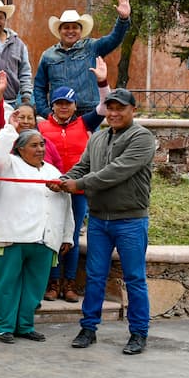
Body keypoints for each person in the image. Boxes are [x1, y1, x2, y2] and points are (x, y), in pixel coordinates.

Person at [51, 89, 154, 355]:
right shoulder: (96, 138)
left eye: (120, 108)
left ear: (133, 109)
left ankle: (138, 333)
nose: (114, 113)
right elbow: (82, 166)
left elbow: (115, 172)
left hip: (130, 220)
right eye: (110, 108)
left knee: (134, 278)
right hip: (98, 220)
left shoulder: (142, 138)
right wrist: (62, 180)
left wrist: (77, 184)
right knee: (95, 277)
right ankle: (88, 328)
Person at [0, 117, 74, 343]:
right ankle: (4, 326)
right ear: (20, 148)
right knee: (7, 285)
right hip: (12, 237)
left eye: (42, 144)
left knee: (34, 287)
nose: (40, 149)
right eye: (34, 145)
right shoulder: (8, 165)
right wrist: (10, 130)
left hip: (44, 240)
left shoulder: (53, 171)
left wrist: (66, 235)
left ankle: (25, 326)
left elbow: (66, 206)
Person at [38, 58, 111, 302]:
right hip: (52, 190)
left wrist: (102, 81)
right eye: (59, 103)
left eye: (68, 103)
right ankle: (53, 281)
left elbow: (105, 105)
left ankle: (69, 282)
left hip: (79, 191)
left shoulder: (85, 122)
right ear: (52, 105)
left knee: (70, 234)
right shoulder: (42, 127)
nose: (63, 107)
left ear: (74, 105)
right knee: (52, 235)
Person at [35, 0, 130, 117]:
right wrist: (45, 112)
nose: (70, 31)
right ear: (59, 31)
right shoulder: (48, 56)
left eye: (75, 27)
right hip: (60, 112)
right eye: (66, 27)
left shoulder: (92, 47)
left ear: (81, 31)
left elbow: (114, 39)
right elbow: (39, 87)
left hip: (89, 112)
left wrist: (123, 20)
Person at [0, 70, 62, 169]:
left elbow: (58, 166)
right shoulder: (7, 139)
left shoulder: (45, 143)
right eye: (21, 117)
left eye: (30, 118)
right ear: (13, 118)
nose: (26, 121)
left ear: (35, 121)